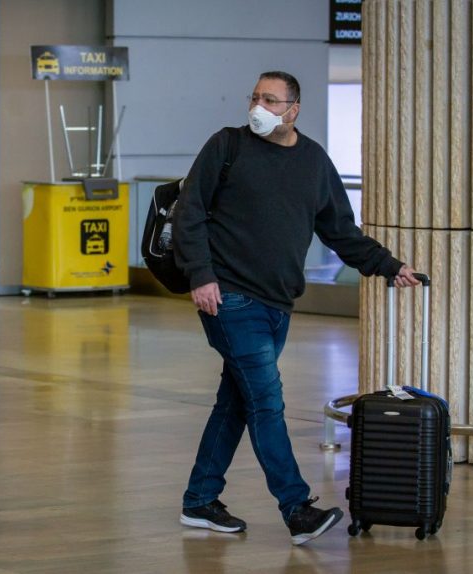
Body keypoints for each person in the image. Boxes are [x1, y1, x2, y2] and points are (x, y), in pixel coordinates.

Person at [173, 71, 420, 545]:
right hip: (229, 297)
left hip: (277, 304)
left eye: (270, 100)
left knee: (236, 403)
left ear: (293, 110)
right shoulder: (227, 146)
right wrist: (201, 275)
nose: (258, 107)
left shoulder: (313, 161)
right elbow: (190, 211)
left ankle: (199, 499)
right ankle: (296, 508)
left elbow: (340, 231)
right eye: (255, 97)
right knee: (266, 401)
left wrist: (388, 266)